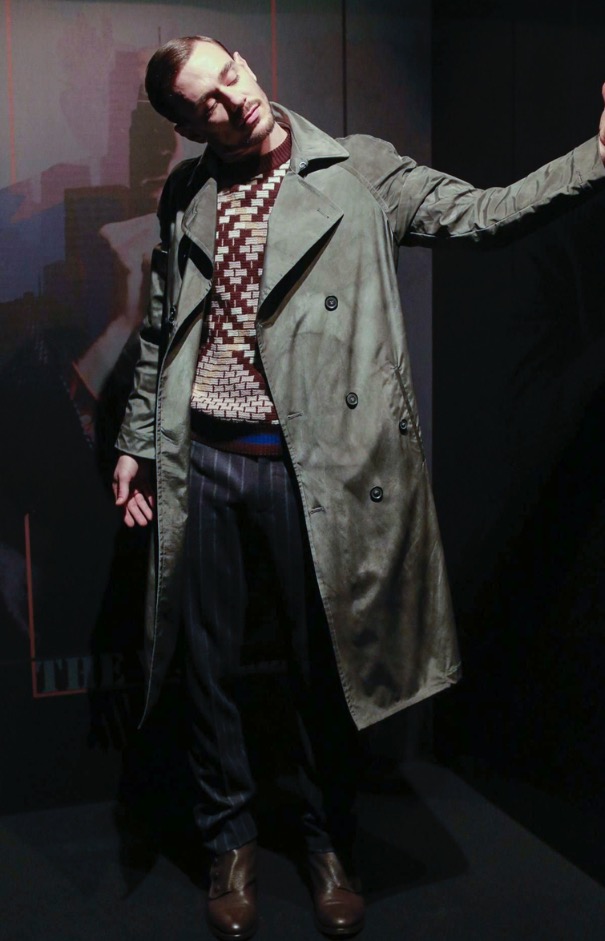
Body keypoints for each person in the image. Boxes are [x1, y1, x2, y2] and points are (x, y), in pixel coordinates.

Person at [112, 34, 605, 940]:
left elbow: (484, 214)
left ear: (244, 61)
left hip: (312, 465)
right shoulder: (187, 194)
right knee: (208, 667)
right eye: (207, 100)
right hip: (203, 461)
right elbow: (160, 329)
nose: (234, 97)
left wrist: (597, 157)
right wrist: (139, 441)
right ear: (187, 126)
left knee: (324, 664)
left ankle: (328, 843)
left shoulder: (358, 170)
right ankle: (228, 842)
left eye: (232, 73)